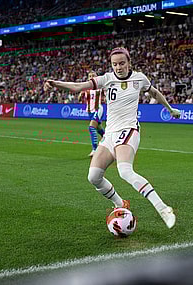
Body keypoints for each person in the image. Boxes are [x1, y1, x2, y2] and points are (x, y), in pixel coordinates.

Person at [44, 47, 181, 229]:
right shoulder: (106, 79)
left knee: (125, 171)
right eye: (115, 64)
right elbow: (78, 86)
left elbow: (154, 93)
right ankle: (120, 204)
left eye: (122, 63)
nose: (118, 67)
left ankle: (163, 208)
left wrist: (170, 109)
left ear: (129, 63)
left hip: (129, 129)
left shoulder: (139, 78)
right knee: (93, 177)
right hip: (110, 134)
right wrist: (55, 83)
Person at [79, 71, 105, 157]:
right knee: (98, 129)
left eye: (93, 75)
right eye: (90, 76)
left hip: (98, 109)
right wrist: (81, 95)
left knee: (91, 127)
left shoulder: (100, 86)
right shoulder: (86, 89)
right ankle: (107, 138)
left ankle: (95, 149)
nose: (91, 77)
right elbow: (80, 98)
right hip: (89, 111)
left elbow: (106, 95)